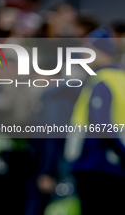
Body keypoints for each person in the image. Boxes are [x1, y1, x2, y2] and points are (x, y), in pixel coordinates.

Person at [65, 28, 125, 214]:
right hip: (114, 165)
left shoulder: (102, 80)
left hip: (97, 164)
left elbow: (102, 125)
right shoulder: (121, 78)